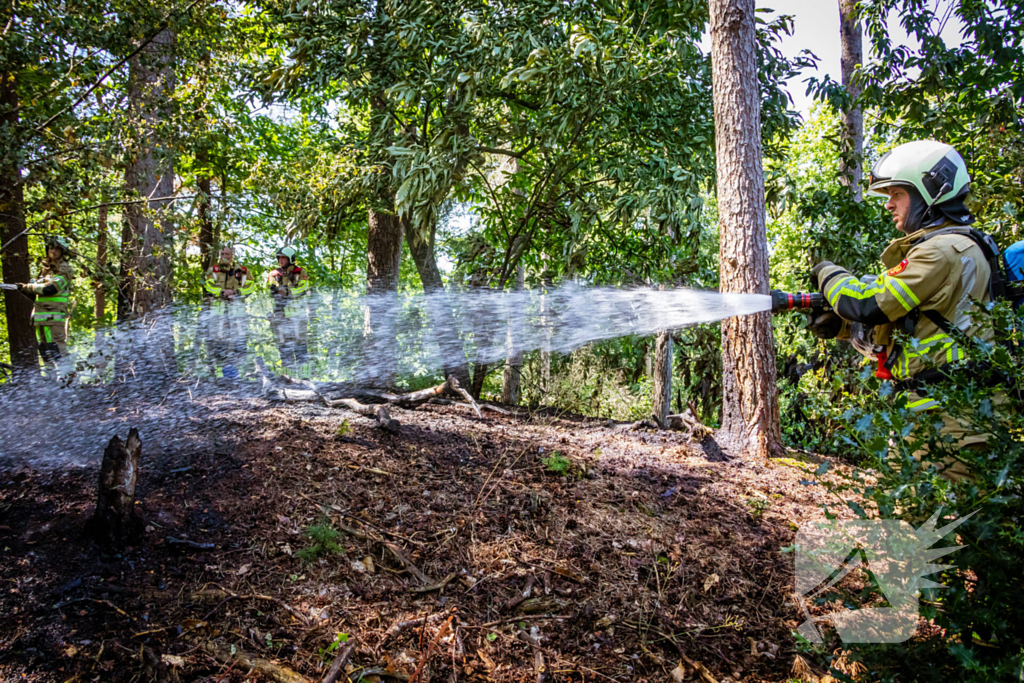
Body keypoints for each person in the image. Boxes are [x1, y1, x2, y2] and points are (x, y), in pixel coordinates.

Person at [807, 140, 997, 481]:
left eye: (897, 193)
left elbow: (865, 304)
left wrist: (827, 272)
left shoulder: (940, 251)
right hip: (938, 414)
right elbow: (923, 323)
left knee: (932, 528)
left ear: (931, 191)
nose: (890, 204)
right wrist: (843, 328)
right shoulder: (958, 245)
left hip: (949, 422)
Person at [18, 235, 75, 373]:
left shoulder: (64, 269)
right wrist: (25, 289)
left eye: (56, 249)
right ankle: (51, 382)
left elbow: (50, 289)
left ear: (63, 251)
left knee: (57, 349)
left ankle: (68, 380)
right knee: (44, 350)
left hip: (54, 317)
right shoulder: (44, 270)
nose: (53, 251)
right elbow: (35, 294)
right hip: (40, 317)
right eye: (50, 248)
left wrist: (28, 287)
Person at [202, 245, 255, 379]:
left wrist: (236, 293)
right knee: (219, 343)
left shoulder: (243, 271)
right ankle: (221, 376)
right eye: (222, 254)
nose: (225, 256)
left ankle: (238, 376)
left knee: (239, 342)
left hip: (237, 313)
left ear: (233, 255)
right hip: (219, 313)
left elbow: (251, 287)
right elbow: (208, 286)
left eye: (227, 254)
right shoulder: (213, 270)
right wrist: (222, 292)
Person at [267, 245, 311, 377]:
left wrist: (288, 292)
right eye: (279, 258)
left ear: (290, 259)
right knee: (284, 349)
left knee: (300, 348)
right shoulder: (273, 274)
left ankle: (305, 378)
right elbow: (269, 290)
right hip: (280, 316)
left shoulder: (300, 272)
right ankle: (288, 379)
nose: (281, 260)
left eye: (284, 258)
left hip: (297, 316)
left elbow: (304, 288)